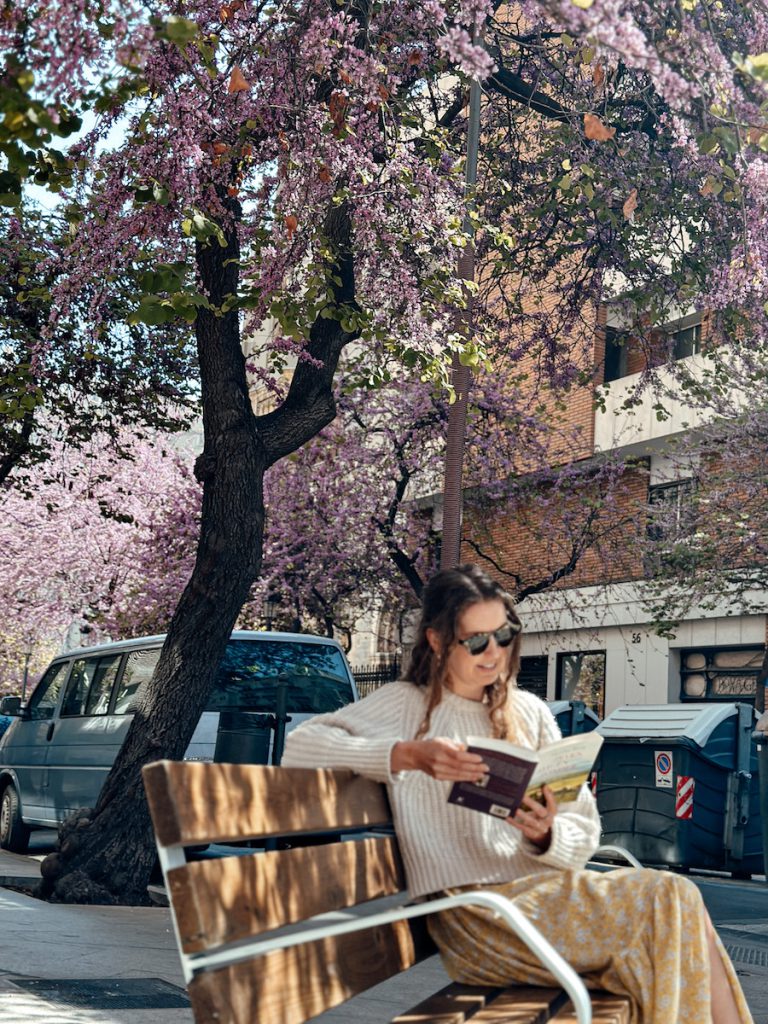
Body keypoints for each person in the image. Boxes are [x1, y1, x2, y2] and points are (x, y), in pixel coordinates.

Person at [283, 564, 752, 1024]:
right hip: (482, 918)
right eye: (475, 641)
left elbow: (584, 830)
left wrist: (547, 835)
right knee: (666, 906)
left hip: (550, 897)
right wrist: (405, 755)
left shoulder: (528, 711)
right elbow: (300, 748)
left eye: (504, 636)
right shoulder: (408, 705)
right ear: (437, 640)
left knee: (675, 897)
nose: (493, 653)